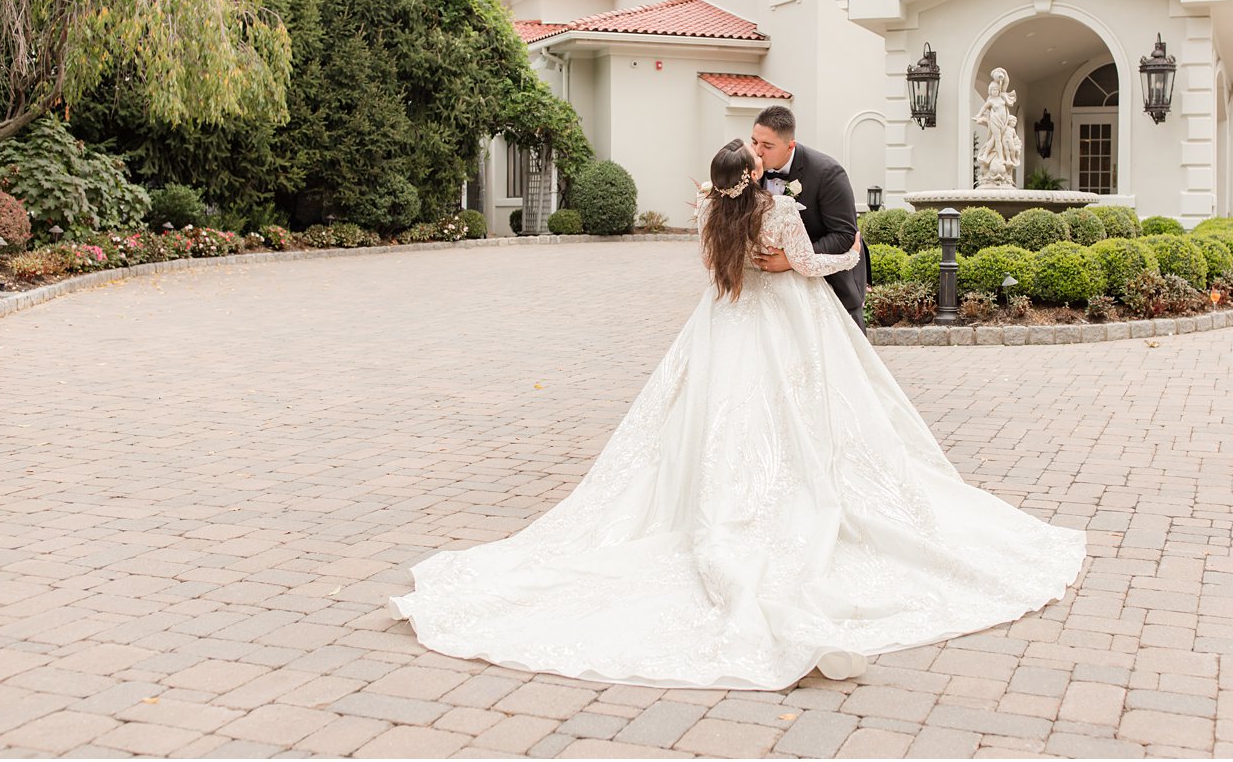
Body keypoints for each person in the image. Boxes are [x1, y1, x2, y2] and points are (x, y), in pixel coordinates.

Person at [389, 139, 1087, 691]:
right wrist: (852, 250)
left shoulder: (714, 212)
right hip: (785, 324)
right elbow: (811, 265)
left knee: (706, 420)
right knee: (803, 416)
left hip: (724, 322)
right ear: (753, 175)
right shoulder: (776, 210)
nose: (763, 162)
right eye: (756, 159)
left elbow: (725, 262)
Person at [749, 105, 869, 331]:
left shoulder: (828, 174)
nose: (757, 151)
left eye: (767, 146)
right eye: (754, 142)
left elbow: (844, 236)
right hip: (770, 294)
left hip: (828, 286)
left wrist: (792, 261)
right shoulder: (749, 170)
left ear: (790, 145)